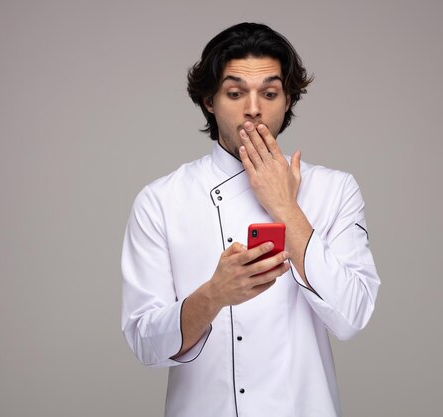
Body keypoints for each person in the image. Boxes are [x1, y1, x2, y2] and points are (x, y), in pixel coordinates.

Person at [121, 22, 380, 417]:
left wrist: (286, 209)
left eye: (270, 93)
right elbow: (145, 343)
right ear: (209, 99)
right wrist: (213, 296)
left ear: (289, 99)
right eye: (235, 92)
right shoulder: (161, 200)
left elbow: (352, 316)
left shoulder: (334, 190)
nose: (254, 107)